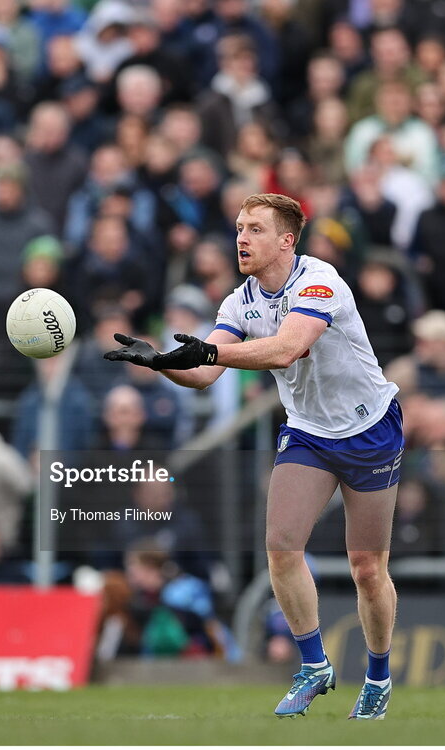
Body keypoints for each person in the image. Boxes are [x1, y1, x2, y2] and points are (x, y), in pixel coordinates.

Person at [104, 194, 402, 719]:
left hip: (369, 430)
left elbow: (286, 348)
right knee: (282, 549)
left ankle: (377, 675)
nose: (241, 238)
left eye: (256, 229)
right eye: (240, 227)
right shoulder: (238, 301)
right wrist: (159, 362)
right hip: (308, 432)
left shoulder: (320, 280)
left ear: (287, 240)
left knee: (367, 569)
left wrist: (209, 351)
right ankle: (314, 666)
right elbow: (202, 374)